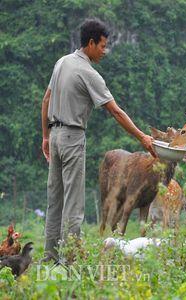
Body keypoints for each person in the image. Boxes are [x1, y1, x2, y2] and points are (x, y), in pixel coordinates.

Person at [40, 18, 156, 262]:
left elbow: (46, 100)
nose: (105, 51)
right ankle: (70, 260)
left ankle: (49, 257)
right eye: (103, 46)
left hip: (55, 135)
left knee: (54, 199)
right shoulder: (89, 73)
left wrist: (45, 136)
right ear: (91, 43)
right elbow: (116, 111)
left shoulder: (62, 62)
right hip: (72, 137)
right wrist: (143, 137)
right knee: (73, 201)